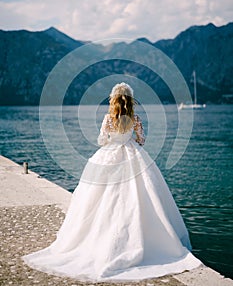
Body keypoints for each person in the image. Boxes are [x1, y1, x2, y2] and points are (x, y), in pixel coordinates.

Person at [22, 82, 202, 281]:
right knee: (138, 196)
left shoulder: (109, 118)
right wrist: (130, 140)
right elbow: (141, 140)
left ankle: (98, 240)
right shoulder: (135, 118)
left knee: (101, 198)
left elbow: (101, 140)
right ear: (130, 100)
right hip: (133, 155)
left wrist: (111, 140)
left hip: (108, 156)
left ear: (113, 100)